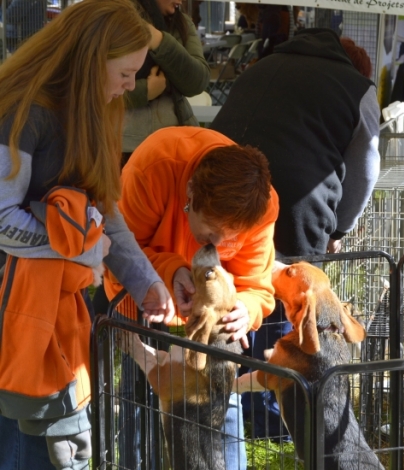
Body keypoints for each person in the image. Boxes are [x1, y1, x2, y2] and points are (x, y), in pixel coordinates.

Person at [0, 1, 175, 469]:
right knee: (26, 440)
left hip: (44, 312)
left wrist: (146, 282)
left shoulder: (89, 110)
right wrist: (83, 253)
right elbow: (1, 219)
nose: (131, 85)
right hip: (12, 312)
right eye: (125, 72)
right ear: (91, 59)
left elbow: (102, 209)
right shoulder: (24, 109)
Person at [211, 27, 380, 439]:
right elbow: (365, 167)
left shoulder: (261, 65)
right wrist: (340, 226)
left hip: (226, 193)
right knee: (287, 300)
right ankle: (273, 415)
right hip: (297, 208)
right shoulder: (358, 88)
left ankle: (228, 391)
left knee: (239, 285)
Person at [104, 125, 280, 470]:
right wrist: (170, 271)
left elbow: (256, 284)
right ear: (189, 195)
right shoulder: (154, 166)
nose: (218, 244)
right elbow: (117, 253)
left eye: (232, 236)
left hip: (212, 319)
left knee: (221, 400)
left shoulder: (261, 206)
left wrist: (246, 308)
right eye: (211, 231)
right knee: (137, 401)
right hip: (141, 299)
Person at [121, 0, 210, 162]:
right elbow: (93, 87)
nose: (180, 1)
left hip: (177, 142)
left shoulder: (181, 23)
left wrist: (159, 40)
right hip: (122, 145)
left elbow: (198, 81)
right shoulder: (113, 18)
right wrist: (146, 90)